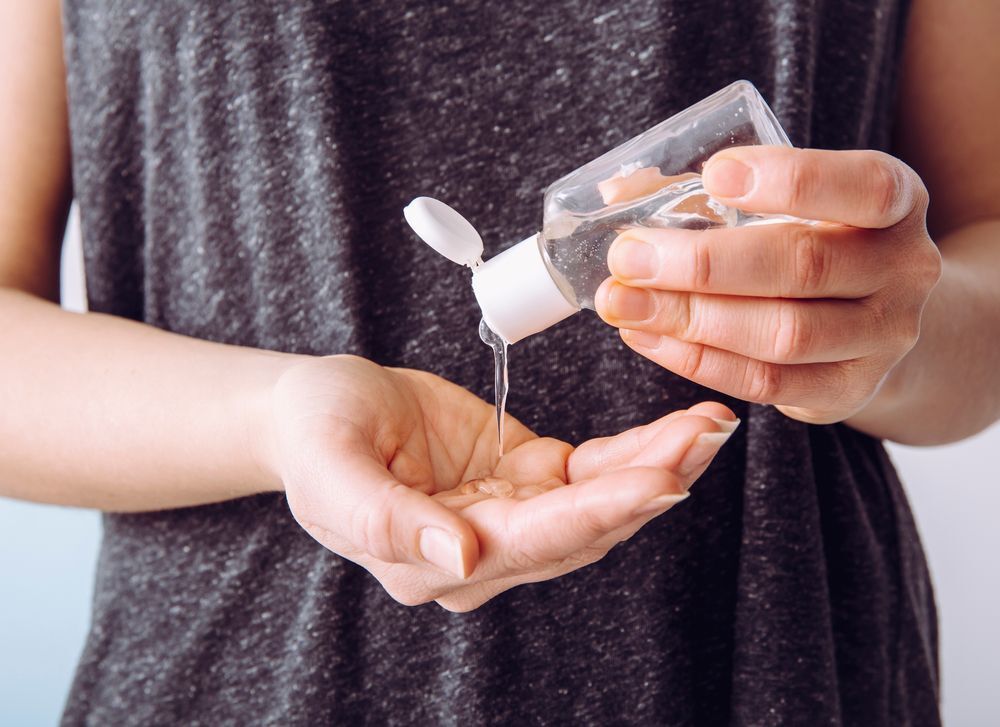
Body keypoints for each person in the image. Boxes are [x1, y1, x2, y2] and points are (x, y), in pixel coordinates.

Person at [1, 0, 996, 723]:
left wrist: (878, 343)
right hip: (233, 683)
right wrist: (270, 415)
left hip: (769, 665)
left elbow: (981, 272)